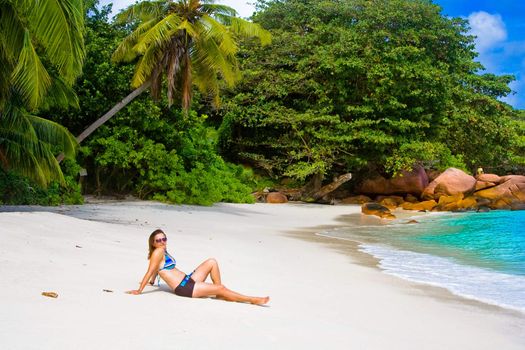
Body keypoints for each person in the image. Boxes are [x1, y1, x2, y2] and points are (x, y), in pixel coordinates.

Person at [126, 229, 270, 305]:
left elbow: (156, 270)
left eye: (164, 239)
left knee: (211, 262)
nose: (163, 242)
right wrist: (140, 290)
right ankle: (252, 300)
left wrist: (152, 281)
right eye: (159, 240)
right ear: (153, 243)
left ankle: (220, 295)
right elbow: (151, 270)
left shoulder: (162, 251)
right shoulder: (158, 252)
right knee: (221, 287)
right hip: (184, 288)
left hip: (188, 280)